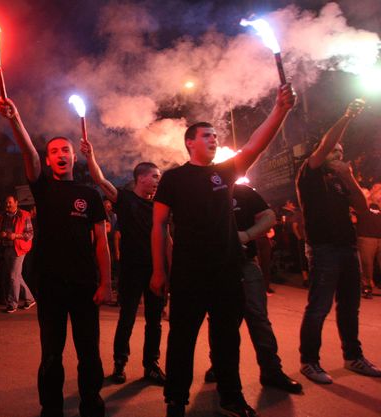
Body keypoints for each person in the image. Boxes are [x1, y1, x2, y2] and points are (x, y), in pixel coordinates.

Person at [150, 84, 296, 417]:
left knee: (227, 338)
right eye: (206, 136)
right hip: (188, 271)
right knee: (182, 338)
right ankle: (175, 398)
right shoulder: (173, 178)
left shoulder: (226, 172)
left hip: (228, 269)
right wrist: (159, 270)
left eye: (215, 135)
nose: (214, 139)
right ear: (190, 142)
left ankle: (231, 397)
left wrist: (280, 109)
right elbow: (158, 226)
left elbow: (256, 144)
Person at [0, 97, 111, 417]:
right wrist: (15, 119)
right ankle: (51, 408)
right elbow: (28, 153)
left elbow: (101, 242)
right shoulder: (43, 188)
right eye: (54, 151)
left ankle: (92, 402)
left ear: (75, 157)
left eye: (66, 150)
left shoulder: (89, 195)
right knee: (51, 354)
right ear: (48, 161)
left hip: (85, 285)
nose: (60, 154)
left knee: (89, 351)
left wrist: (105, 282)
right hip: (50, 285)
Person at [296, 99, 381, 384]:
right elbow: (326, 144)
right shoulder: (309, 173)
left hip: (347, 248)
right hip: (323, 249)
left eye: (342, 151)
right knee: (319, 307)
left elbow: (360, 208)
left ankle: (353, 356)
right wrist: (346, 116)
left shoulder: (341, 178)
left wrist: (350, 178)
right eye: (335, 150)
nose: (339, 153)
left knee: (350, 306)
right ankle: (309, 362)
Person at [80, 138, 166, 386]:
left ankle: (151, 366)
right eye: (155, 176)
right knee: (127, 317)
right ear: (141, 178)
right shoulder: (125, 199)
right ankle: (120, 365)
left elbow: (167, 239)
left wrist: (168, 271)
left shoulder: (160, 207)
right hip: (131, 270)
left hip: (156, 271)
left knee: (154, 321)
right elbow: (100, 181)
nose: (159, 180)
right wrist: (90, 156)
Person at [204, 184, 302, 394]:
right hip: (217, 266)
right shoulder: (203, 191)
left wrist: (246, 235)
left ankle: (271, 370)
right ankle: (219, 367)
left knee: (258, 318)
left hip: (246, 263)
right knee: (221, 320)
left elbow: (269, 217)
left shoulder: (243, 191)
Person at [0, 195, 35, 313]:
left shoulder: (24, 215)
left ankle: (12, 304)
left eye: (10, 202)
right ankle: (30, 298)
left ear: (16, 203)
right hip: (7, 248)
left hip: (19, 249)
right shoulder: (3, 216)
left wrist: (16, 236)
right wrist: (1, 234)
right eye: (6, 203)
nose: (7, 205)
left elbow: (29, 234)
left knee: (13, 276)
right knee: (16, 276)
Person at [357, 185, 381, 299]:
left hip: (380, 238)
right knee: (367, 264)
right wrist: (374, 190)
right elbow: (365, 199)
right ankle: (366, 287)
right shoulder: (363, 205)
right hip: (367, 238)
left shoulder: (379, 206)